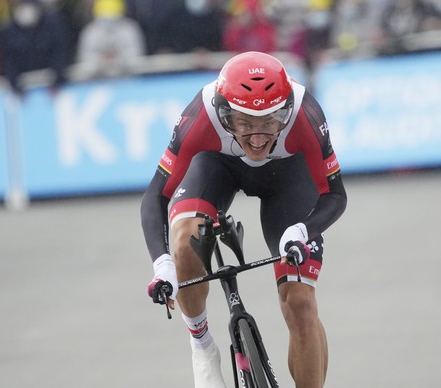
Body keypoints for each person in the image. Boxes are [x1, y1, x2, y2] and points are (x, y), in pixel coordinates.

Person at [141, 51, 347, 387]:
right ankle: (202, 344)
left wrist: (301, 230)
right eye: (245, 122)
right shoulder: (202, 114)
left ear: (285, 111)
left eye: (269, 121)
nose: (257, 136)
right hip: (216, 166)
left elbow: (336, 195)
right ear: (224, 115)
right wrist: (162, 264)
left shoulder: (305, 113)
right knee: (184, 243)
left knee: (300, 302)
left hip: (287, 176)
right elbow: (155, 196)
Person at [0, 0, 70, 96]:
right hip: (24, 88)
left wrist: (57, 78)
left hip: (52, 86)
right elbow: (8, 60)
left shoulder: (53, 25)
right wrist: (15, 84)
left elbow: (60, 53)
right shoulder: (9, 31)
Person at [76, 0, 145, 79]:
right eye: (105, 19)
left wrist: (118, 60)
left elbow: (136, 58)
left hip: (127, 80)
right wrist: (101, 61)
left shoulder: (129, 29)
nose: (109, 23)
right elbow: (85, 60)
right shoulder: (90, 32)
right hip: (97, 82)